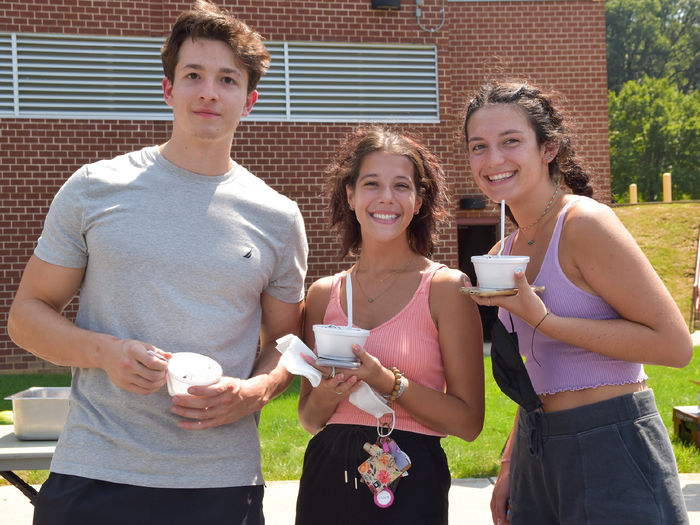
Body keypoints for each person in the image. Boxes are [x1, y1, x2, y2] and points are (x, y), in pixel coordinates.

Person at [6, 1, 308, 523]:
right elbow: (27, 316)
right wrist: (104, 353)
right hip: (95, 471)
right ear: (169, 89)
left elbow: (287, 343)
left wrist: (255, 392)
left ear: (249, 100)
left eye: (227, 80)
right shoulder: (94, 188)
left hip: (221, 480)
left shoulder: (278, 217)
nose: (209, 91)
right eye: (194, 75)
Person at [463, 82, 693, 525]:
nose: (493, 160)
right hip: (537, 449)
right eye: (479, 147)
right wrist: (510, 463)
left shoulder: (584, 223)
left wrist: (544, 320)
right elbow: (537, 373)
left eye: (511, 141)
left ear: (548, 148)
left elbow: (675, 346)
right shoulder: (500, 253)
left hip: (613, 442)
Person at [294, 126, 485, 524]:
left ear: (418, 201)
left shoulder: (446, 289)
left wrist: (386, 380)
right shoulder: (322, 294)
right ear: (350, 195)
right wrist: (330, 391)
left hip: (411, 481)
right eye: (371, 184)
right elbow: (310, 419)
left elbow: (469, 423)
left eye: (401, 185)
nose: (386, 198)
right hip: (327, 479)